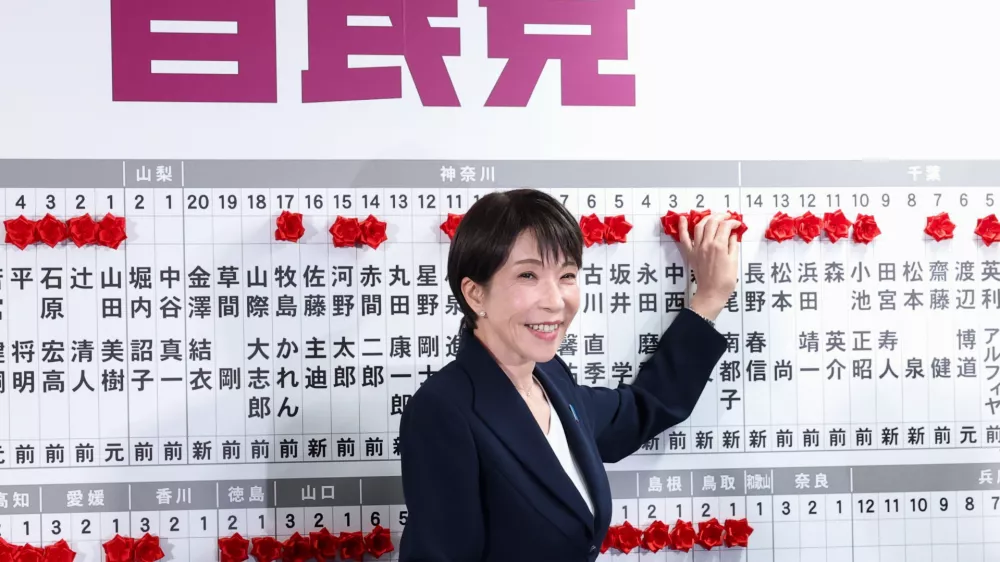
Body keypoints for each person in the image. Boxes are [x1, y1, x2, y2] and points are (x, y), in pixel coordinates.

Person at [398, 188, 739, 562]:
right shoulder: (444, 410)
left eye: (566, 275)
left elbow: (642, 410)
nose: (556, 301)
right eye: (528, 275)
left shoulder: (549, 377)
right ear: (475, 294)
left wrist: (709, 298)